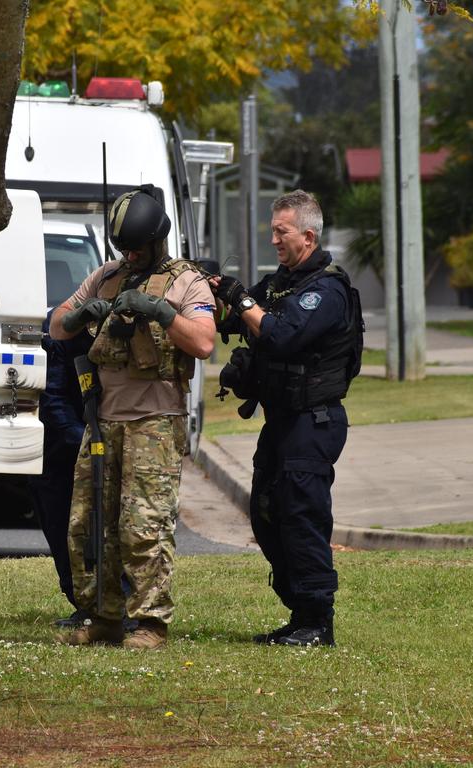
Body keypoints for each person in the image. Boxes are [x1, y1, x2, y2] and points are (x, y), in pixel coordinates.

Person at [49, 186, 216, 650]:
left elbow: (204, 343)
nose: (130, 255)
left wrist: (161, 312)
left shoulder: (189, 282)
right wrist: (83, 313)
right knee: (91, 523)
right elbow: (57, 326)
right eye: (124, 247)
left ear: (158, 240)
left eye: (137, 247)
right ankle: (103, 616)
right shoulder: (107, 275)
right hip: (103, 421)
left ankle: (151, 624)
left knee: (144, 524)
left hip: (155, 423)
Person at [209, 189, 359, 648]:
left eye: (282, 231)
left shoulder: (327, 291)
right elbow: (234, 319)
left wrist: (241, 299)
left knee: (301, 515)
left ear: (308, 236)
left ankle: (319, 622)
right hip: (281, 424)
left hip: (313, 423)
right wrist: (206, 289)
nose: (274, 239)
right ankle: (299, 613)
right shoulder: (280, 283)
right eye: (272, 229)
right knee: (267, 513)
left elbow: (282, 335)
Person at [28, 308, 92, 626]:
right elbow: (51, 396)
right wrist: (82, 441)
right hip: (65, 447)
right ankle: (83, 601)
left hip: (112, 443)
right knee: (62, 525)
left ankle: (119, 604)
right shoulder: (63, 323)